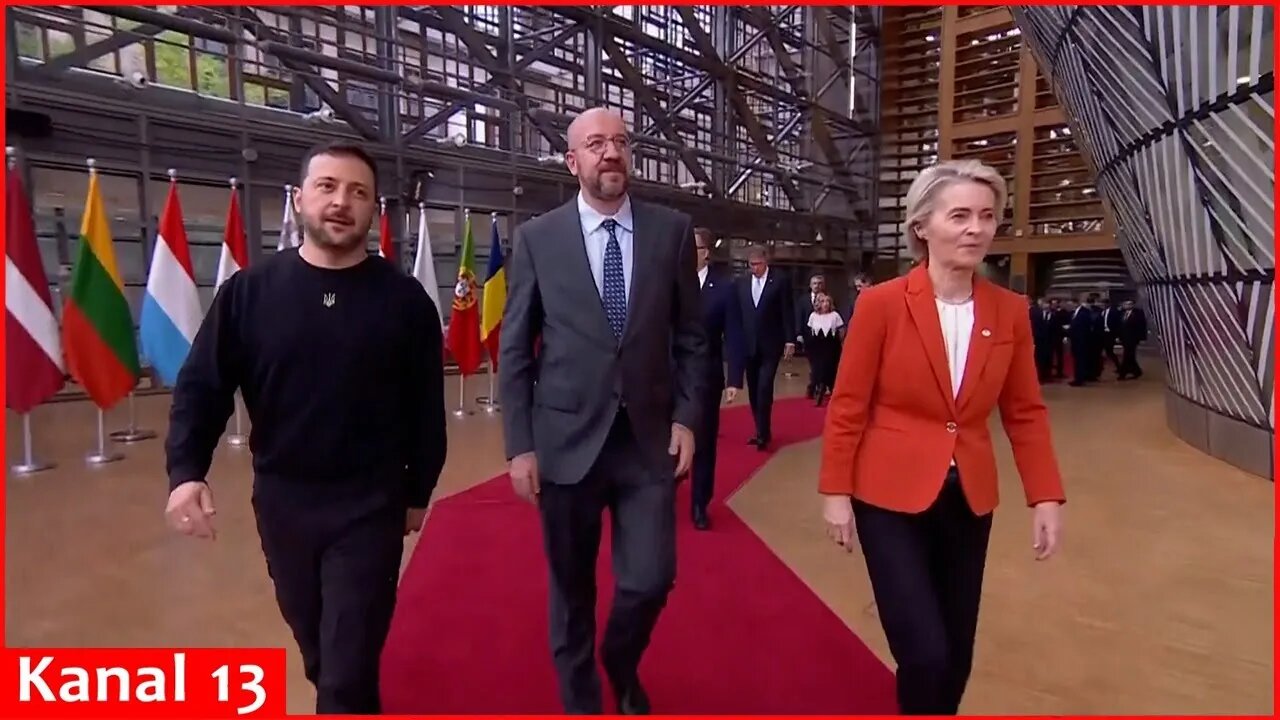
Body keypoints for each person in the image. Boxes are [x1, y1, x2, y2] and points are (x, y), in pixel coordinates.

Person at [163, 140, 448, 715]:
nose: (341, 202)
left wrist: (417, 492)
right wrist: (186, 471)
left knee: (345, 669)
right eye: (327, 187)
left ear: (374, 211)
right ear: (299, 200)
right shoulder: (248, 293)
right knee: (321, 652)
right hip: (283, 503)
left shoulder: (404, 301)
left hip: (370, 504)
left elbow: (426, 407)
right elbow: (203, 387)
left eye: (358, 192)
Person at [818, 159, 1065, 716]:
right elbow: (848, 405)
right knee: (924, 653)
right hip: (887, 498)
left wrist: (1045, 495)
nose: (976, 228)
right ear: (922, 226)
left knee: (956, 655)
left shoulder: (1009, 312)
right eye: (960, 215)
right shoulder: (880, 305)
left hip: (968, 500)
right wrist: (835, 492)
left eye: (986, 216)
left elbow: (1025, 412)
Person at [498, 107, 707, 715]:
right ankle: (583, 701)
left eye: (619, 142)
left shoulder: (670, 231)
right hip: (565, 443)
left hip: (647, 442)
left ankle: (619, 658)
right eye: (595, 144)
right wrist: (520, 445)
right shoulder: (538, 238)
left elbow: (692, 338)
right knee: (571, 590)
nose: (610, 152)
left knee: (649, 578)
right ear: (573, 161)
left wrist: (688, 418)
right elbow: (516, 347)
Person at [691, 226, 744, 530]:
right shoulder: (671, 282)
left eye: (693, 247)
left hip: (706, 376)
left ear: (706, 252)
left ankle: (700, 501)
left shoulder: (724, 289)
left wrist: (734, 378)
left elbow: (734, 334)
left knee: (704, 441)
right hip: (669, 375)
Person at [734, 245, 795, 451]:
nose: (754, 268)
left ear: (765, 261)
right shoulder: (741, 283)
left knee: (764, 387)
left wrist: (790, 340)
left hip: (771, 344)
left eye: (758, 264)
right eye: (751, 265)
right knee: (753, 388)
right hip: (748, 345)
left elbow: (787, 311)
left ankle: (763, 432)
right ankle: (760, 429)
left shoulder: (780, 281)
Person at [804, 292, 843, 405]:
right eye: (822, 301)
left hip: (831, 345)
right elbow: (810, 330)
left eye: (827, 302)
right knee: (817, 369)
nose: (825, 304)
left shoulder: (835, 315)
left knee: (829, 368)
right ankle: (818, 388)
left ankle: (827, 388)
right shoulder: (813, 316)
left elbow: (841, 331)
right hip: (817, 346)